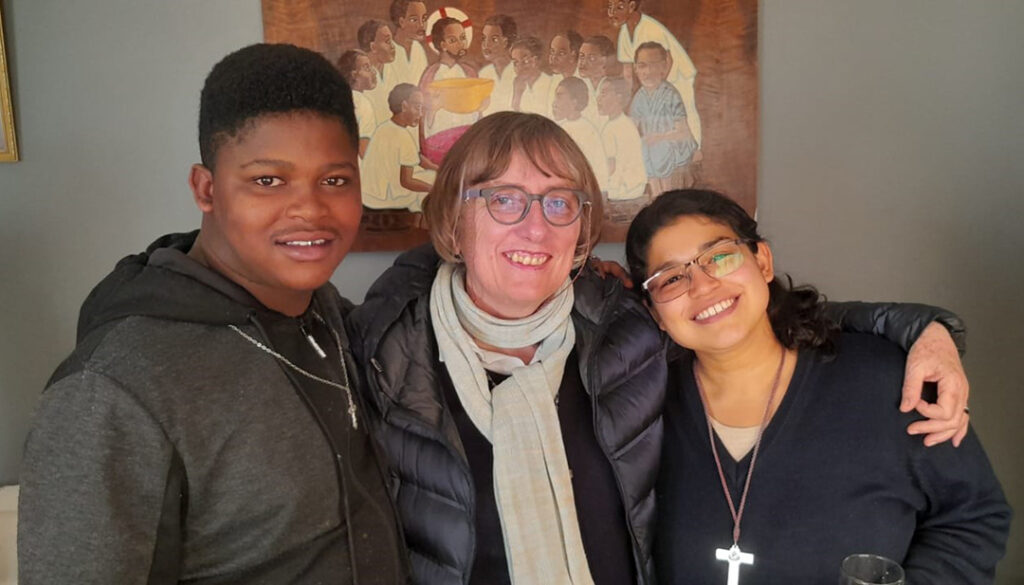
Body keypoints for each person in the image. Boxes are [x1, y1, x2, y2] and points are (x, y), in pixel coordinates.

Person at [347, 112, 971, 585]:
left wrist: (922, 328)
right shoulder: (379, 351)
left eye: (559, 201)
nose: (535, 225)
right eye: (503, 198)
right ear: (455, 221)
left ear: (582, 234)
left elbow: (739, 318)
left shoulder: (625, 335)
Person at [17, 44, 407, 584]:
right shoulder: (111, 390)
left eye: (335, 180)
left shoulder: (325, 314)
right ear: (206, 188)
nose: (311, 210)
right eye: (268, 180)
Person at [624, 189, 1011, 584]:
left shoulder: (886, 380)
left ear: (762, 261)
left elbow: (972, 518)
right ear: (654, 311)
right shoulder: (637, 411)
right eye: (671, 278)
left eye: (719, 257)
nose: (703, 286)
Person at [608, 0, 702, 147]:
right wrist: (626, 97)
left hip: (677, 75)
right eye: (610, 7)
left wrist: (658, 90)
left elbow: (668, 61)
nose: (612, 13)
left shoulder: (651, 29)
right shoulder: (625, 33)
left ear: (632, 6)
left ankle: (696, 151)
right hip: (654, 78)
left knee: (685, 112)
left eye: (619, 7)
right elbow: (627, 71)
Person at [631, 41, 699, 194]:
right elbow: (632, 130)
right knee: (643, 148)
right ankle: (656, 195)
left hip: (675, 146)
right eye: (642, 66)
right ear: (635, 68)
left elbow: (683, 133)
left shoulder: (671, 94)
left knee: (661, 148)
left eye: (653, 65)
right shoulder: (639, 97)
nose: (647, 72)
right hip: (652, 146)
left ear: (663, 67)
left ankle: (666, 195)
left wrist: (659, 137)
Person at [362, 83, 434, 212]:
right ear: (404, 106)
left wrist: (438, 168)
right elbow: (406, 182)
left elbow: (417, 159)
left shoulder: (384, 127)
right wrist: (434, 189)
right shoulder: (403, 136)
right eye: (418, 107)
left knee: (431, 175)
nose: (421, 114)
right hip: (385, 201)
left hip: (368, 196)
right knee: (435, 184)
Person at [419, 16, 479, 166]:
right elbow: (422, 115)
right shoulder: (431, 75)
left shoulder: (469, 72)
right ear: (442, 45)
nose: (461, 44)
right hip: (439, 142)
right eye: (453, 40)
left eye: (463, 38)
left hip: (467, 142)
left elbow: (477, 112)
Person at [552, 76, 610, 194]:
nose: (554, 103)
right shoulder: (562, 128)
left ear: (574, 102)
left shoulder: (586, 130)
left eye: (560, 97)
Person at [597, 76, 648, 206]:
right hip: (634, 186)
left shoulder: (615, 127)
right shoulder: (622, 122)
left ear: (618, 97)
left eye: (603, 93)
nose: (598, 99)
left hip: (624, 189)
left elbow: (610, 167)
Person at [337, 48, 378, 158]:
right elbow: (364, 150)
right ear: (354, 74)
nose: (373, 72)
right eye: (366, 68)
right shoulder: (362, 104)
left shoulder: (339, 99)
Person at [358, 19, 399, 127]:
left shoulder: (391, 70)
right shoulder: (360, 78)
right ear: (373, 47)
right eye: (387, 41)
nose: (393, 46)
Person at [478, 14, 518, 118]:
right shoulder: (484, 74)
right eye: (483, 38)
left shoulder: (519, 72)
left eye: (494, 39)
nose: (486, 45)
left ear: (505, 42)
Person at [510, 36, 554, 118]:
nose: (520, 67)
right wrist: (517, 94)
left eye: (525, 61)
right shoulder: (517, 85)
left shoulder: (550, 84)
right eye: (515, 62)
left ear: (536, 60)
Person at [389, 0, 429, 87]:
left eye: (424, 19)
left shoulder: (418, 49)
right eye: (414, 20)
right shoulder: (387, 51)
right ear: (401, 22)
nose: (422, 25)